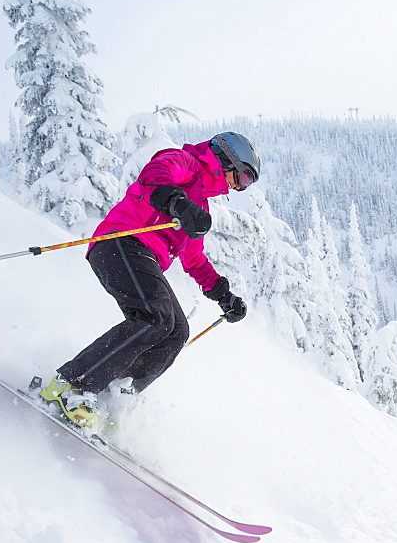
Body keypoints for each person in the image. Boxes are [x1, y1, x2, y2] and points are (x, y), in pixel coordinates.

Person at [39, 132, 261, 427]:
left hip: (144, 258)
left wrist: (224, 295)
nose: (240, 187)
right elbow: (156, 173)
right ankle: (72, 385)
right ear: (226, 158)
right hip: (120, 243)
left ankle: (111, 396)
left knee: (176, 331)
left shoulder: (201, 208)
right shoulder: (186, 162)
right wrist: (176, 202)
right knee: (155, 317)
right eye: (244, 177)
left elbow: (194, 260)